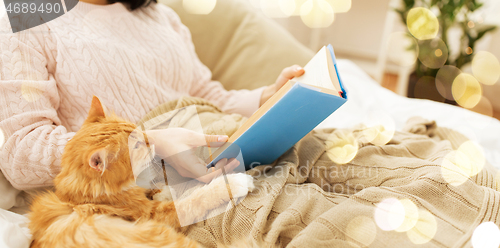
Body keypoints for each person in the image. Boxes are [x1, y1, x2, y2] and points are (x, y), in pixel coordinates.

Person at [0, 0, 305, 190]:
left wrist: (266, 97)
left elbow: (206, 97)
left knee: (330, 159)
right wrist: (145, 144)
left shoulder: (158, 14)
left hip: (218, 156)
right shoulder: (27, 12)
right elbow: (21, 153)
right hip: (152, 190)